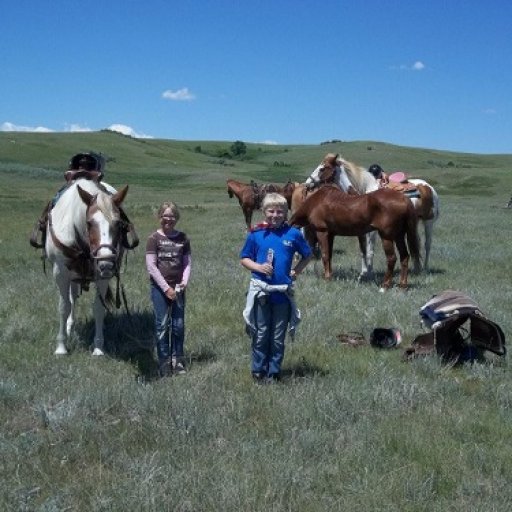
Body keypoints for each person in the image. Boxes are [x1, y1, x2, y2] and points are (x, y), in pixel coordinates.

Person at [240, 193, 313, 383]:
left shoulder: (293, 234)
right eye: (271, 211)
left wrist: (296, 271)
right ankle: (258, 370)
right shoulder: (256, 234)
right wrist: (258, 267)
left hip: (282, 293)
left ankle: (274, 371)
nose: (275, 215)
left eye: (280, 211)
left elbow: (307, 255)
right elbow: (244, 258)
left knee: (278, 335)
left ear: (286, 212)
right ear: (264, 212)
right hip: (262, 292)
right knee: (261, 331)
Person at [30, 152, 114, 249]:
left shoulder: (84, 174)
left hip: (83, 180)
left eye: (85, 164)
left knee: (111, 201)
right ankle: (44, 223)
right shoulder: (77, 174)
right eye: (82, 163)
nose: (83, 166)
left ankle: (43, 222)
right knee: (56, 200)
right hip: (76, 181)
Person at [146, 202, 192, 377]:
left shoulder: (183, 238)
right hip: (160, 289)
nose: (168, 220)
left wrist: (183, 282)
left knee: (178, 325)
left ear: (176, 218)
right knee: (162, 325)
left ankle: (177, 359)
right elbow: (151, 266)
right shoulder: (153, 239)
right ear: (160, 217)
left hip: (179, 288)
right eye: (165, 216)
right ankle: (164, 361)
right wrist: (166, 289)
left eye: (172, 216)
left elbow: (187, 263)